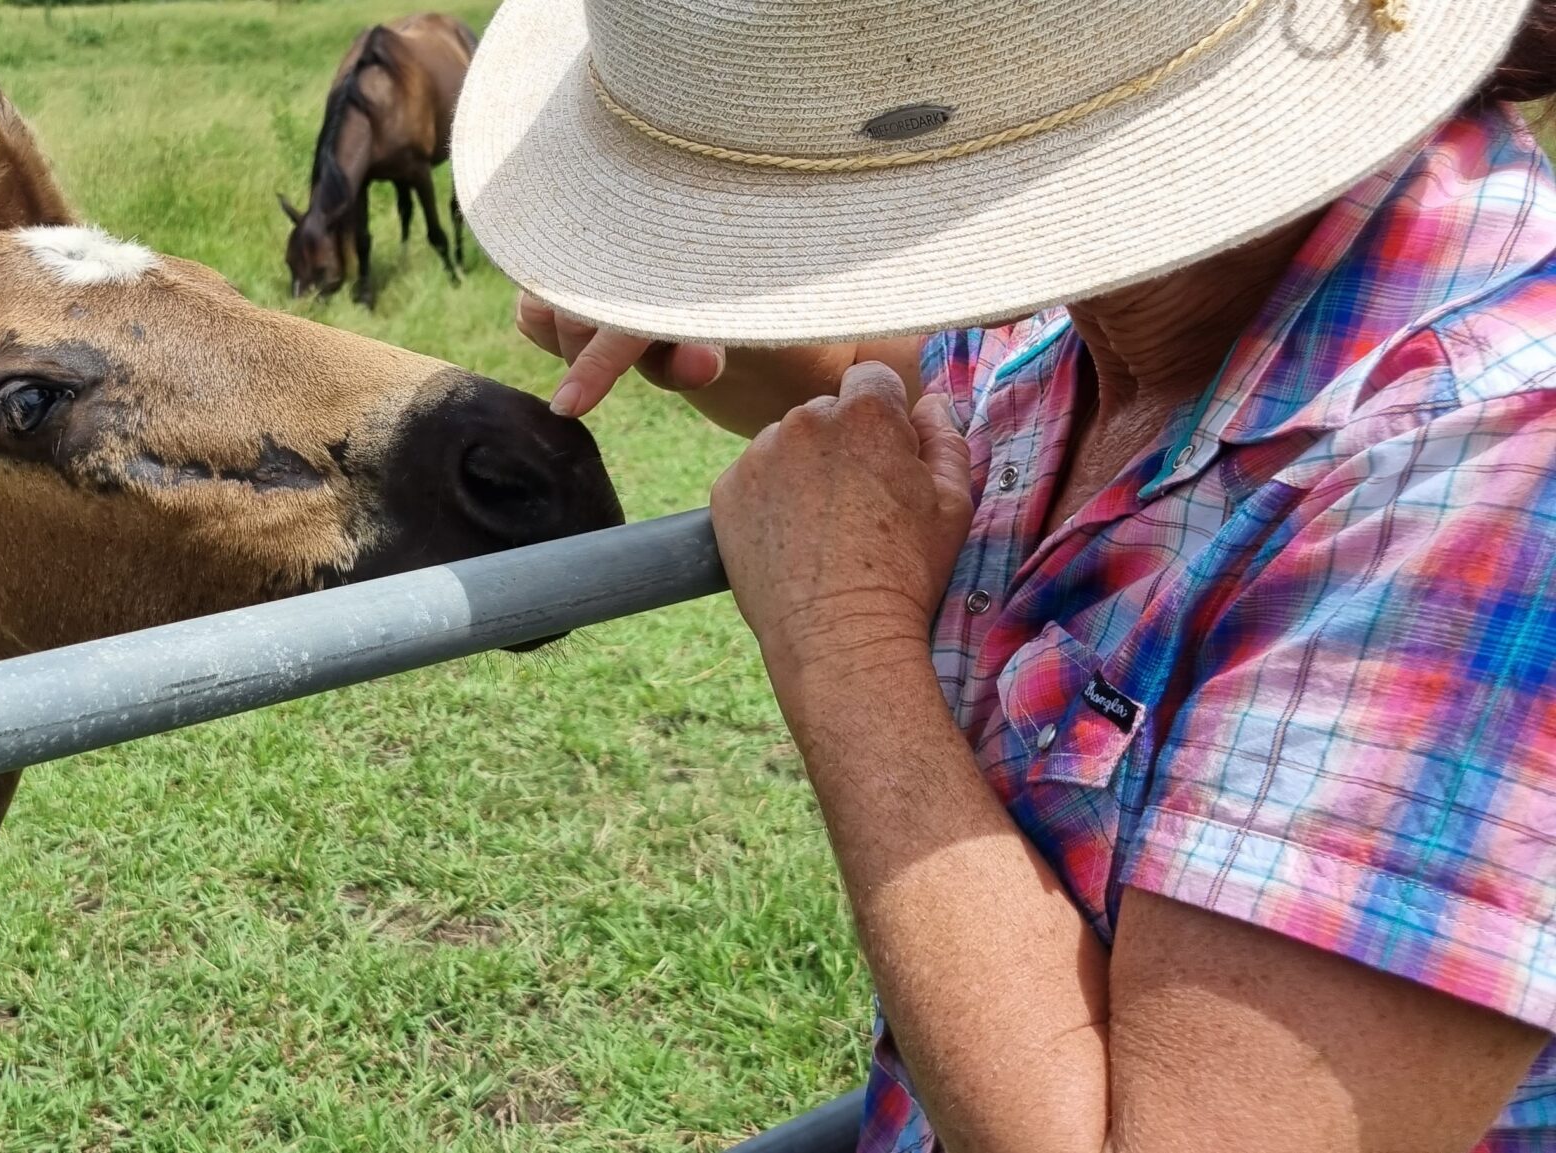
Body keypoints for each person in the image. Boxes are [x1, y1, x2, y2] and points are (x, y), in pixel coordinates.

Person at [450, 0, 1556, 1149]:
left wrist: (844, 634)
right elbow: (931, 373)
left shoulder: (1495, 468)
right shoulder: (1123, 288)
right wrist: (705, 311)